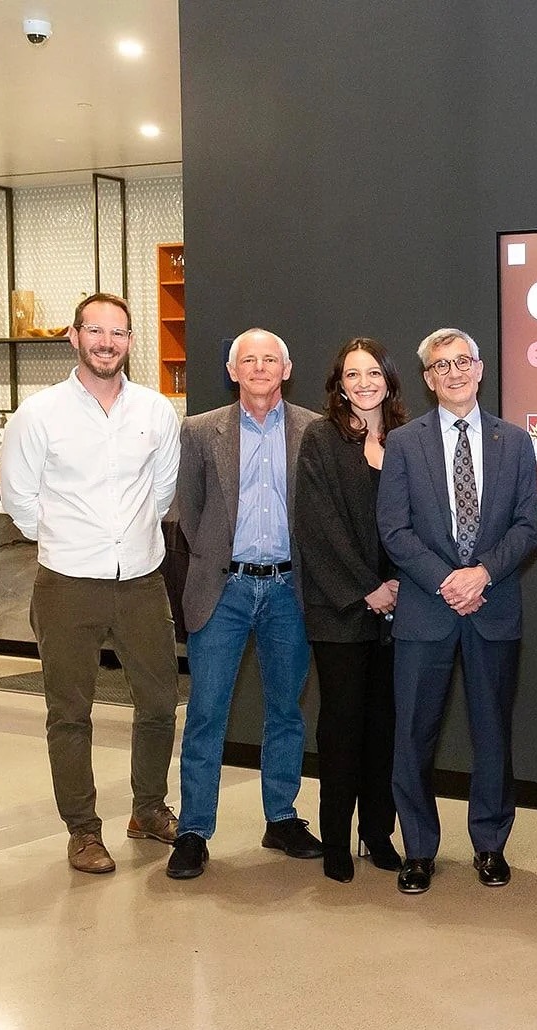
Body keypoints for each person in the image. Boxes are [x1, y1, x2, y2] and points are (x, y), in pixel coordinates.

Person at [1, 293, 181, 873]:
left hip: (140, 580)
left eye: (119, 332)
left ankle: (148, 809)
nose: (107, 342)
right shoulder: (40, 413)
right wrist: (71, 541)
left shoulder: (155, 413)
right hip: (67, 583)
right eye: (96, 331)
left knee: (158, 701)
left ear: (132, 341)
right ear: (75, 337)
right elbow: (22, 500)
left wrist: (126, 541)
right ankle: (82, 829)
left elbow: (161, 493)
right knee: (69, 711)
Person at [378, 327, 537, 895]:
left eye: (463, 362)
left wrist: (482, 574)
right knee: (414, 736)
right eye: (441, 366)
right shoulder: (403, 443)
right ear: (427, 379)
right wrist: (447, 579)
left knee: (492, 733)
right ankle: (419, 849)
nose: (454, 373)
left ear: (481, 368)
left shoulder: (515, 442)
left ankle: (490, 844)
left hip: (493, 607)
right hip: (426, 611)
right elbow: (394, 530)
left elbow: (526, 528)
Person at [168, 328, 324, 879]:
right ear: (232, 371)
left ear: (287, 368)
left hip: (289, 591)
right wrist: (214, 561)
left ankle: (280, 818)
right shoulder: (198, 431)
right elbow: (188, 512)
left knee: (286, 711)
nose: (259, 368)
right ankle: (192, 830)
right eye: (248, 360)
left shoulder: (315, 430)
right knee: (206, 714)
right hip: (223, 590)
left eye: (270, 360)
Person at [295, 338, 409, 882]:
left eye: (373, 373)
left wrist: (400, 585)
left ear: (389, 378)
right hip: (340, 606)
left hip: (402, 606)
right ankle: (337, 840)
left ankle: (378, 833)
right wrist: (368, 588)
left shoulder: (410, 440)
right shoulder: (321, 438)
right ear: (339, 383)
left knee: (385, 725)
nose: (364, 383)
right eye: (352, 374)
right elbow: (319, 526)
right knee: (341, 725)